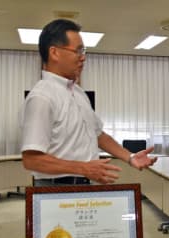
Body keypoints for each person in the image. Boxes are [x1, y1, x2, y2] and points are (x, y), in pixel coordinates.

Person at [20, 19, 157, 186]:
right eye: (77, 51)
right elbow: (31, 160)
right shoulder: (42, 97)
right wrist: (83, 169)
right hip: (56, 189)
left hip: (84, 184)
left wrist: (130, 157)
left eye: (83, 51)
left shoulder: (78, 93)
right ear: (54, 53)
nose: (83, 57)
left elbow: (98, 135)